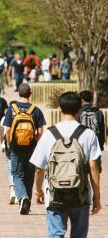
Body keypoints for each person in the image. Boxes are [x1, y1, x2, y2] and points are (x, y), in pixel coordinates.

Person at [30, 91, 101, 238]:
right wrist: (96, 198)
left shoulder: (49, 134)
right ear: (79, 109)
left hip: (54, 194)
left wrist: (39, 191)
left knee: (56, 234)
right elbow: (93, 168)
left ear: (59, 109)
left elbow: (39, 168)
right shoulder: (88, 134)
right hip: (81, 194)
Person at [3, 83, 46, 215]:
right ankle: (27, 202)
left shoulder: (12, 109)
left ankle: (23, 198)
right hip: (31, 148)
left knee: (17, 174)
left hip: (16, 148)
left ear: (19, 94)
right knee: (29, 175)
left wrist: (9, 146)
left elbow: (8, 130)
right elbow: (40, 132)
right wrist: (37, 146)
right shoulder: (36, 110)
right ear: (30, 93)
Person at [78, 90, 105, 172]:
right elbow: (102, 131)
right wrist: (100, 146)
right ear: (91, 100)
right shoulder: (99, 112)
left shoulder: (78, 113)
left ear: (81, 100)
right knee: (95, 172)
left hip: (81, 147)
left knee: (81, 172)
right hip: (95, 145)